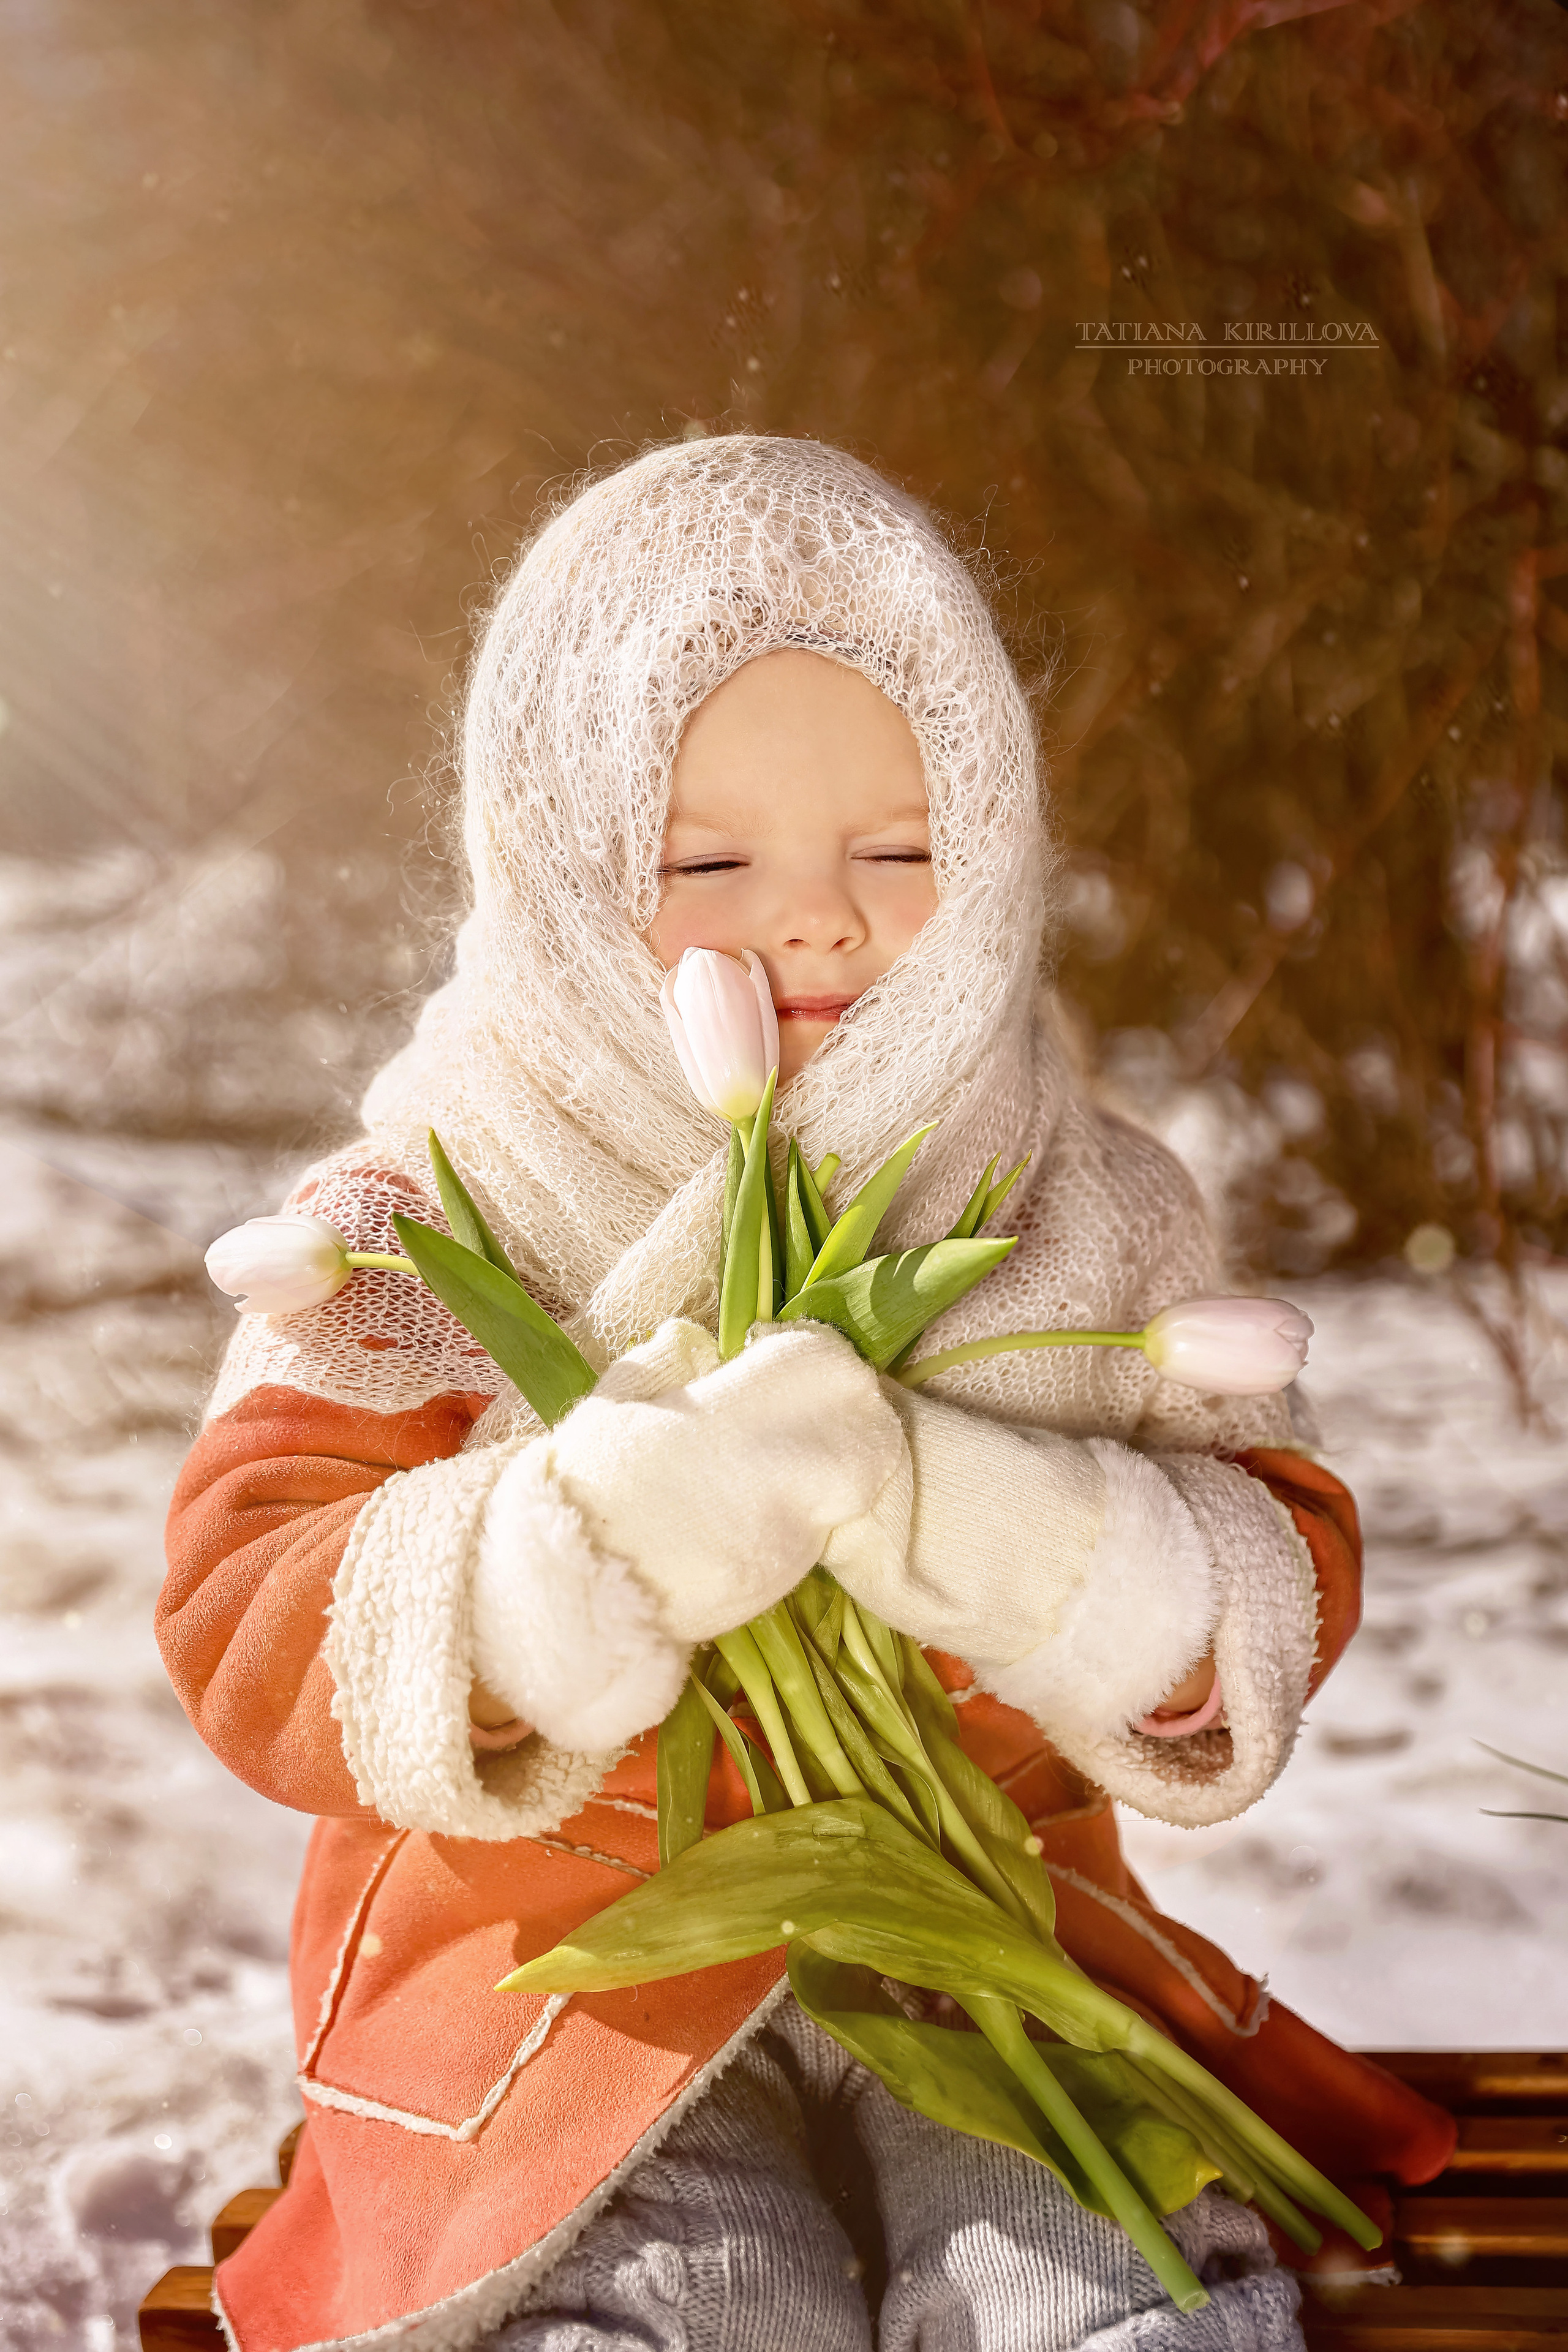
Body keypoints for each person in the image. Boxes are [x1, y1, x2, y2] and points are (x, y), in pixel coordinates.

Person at [158, 435, 1453, 2352]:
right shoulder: (420, 1222)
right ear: (565, 860)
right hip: (565, 1978)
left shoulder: (1076, 1200)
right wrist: (585, 1550)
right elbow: (249, 1607)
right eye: (709, 861)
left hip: (987, 1941)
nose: (823, 919)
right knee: (686, 2296)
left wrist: (1038, 1549)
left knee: (1098, 2273)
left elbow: (1279, 1560)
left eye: (904, 849)